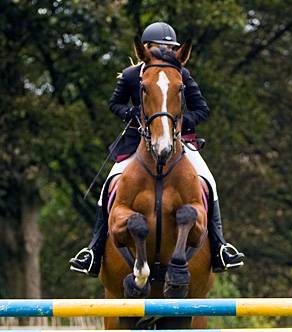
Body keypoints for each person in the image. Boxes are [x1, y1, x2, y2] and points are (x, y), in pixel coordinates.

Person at [69, 22, 245, 277]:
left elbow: (202, 109)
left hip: (177, 138)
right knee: (109, 184)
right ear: (146, 49)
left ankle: (220, 247)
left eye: (169, 47)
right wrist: (133, 113)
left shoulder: (181, 74)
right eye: (159, 46)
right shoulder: (132, 75)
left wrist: (176, 122)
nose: (164, 50)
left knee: (209, 180)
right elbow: (114, 103)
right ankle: (93, 251)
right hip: (137, 140)